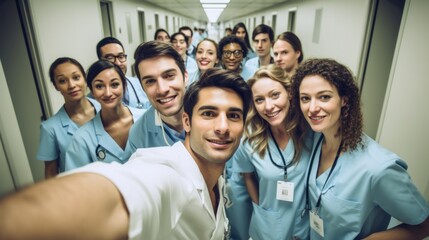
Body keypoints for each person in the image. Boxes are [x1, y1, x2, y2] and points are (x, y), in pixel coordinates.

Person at [0, 68, 252, 239]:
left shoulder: (215, 175)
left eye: (233, 115)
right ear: (186, 122)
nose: (222, 127)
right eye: (208, 113)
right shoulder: (167, 174)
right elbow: (113, 199)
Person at [290, 58, 429, 239]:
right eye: (305, 99)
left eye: (324, 97)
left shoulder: (378, 168)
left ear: (344, 100)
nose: (312, 108)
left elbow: (423, 225)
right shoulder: (315, 140)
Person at [232, 64, 312, 240]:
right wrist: (259, 205)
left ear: (290, 93)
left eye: (275, 95)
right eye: (259, 100)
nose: (268, 106)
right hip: (266, 226)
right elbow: (247, 175)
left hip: (304, 226)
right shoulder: (249, 138)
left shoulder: (311, 133)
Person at [64, 60, 145, 170]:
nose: (108, 93)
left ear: (124, 86)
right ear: (92, 91)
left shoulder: (145, 119)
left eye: (114, 84)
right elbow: (77, 183)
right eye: (99, 86)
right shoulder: (82, 139)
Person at [36, 57, 101, 178]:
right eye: (62, 81)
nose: (71, 85)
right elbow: (51, 174)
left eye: (76, 77)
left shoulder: (105, 108)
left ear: (85, 79)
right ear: (56, 86)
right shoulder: (50, 128)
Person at [128, 41, 188, 150]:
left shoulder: (213, 115)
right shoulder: (138, 135)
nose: (162, 89)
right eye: (150, 81)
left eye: (169, 76)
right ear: (142, 87)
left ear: (185, 76)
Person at [96, 37, 150, 109]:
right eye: (110, 58)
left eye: (121, 56)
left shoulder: (138, 83)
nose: (118, 63)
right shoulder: (95, 97)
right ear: (100, 61)